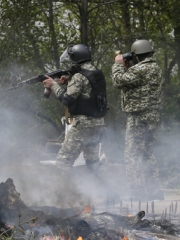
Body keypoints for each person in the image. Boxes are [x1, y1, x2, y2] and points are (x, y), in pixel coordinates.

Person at [111, 39, 164, 201]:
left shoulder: (141, 68)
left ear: (137, 55)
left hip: (138, 116)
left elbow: (118, 81)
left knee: (133, 154)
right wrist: (128, 68)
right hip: (151, 115)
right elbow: (134, 82)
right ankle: (154, 191)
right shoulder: (154, 68)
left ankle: (137, 192)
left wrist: (118, 64)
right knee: (147, 153)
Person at [43, 44, 107, 172]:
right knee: (93, 162)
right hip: (98, 123)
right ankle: (112, 190)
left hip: (83, 125)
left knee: (63, 161)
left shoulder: (78, 76)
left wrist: (54, 85)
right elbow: (87, 90)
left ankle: (63, 192)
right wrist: (68, 80)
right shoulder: (96, 72)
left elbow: (67, 99)